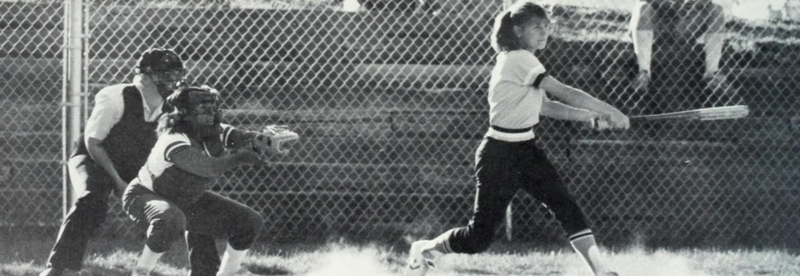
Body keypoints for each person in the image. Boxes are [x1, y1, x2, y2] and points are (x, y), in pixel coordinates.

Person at [405, 2, 628, 276]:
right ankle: (426, 249)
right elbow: (562, 91)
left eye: (547, 26)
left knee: (565, 206)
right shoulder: (518, 58)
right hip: (499, 153)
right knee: (478, 238)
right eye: (536, 26)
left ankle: (602, 272)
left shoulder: (526, 60)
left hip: (526, 149)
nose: (544, 31)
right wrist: (610, 110)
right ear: (518, 30)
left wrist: (590, 117)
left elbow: (545, 106)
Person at [39, 48, 221, 276]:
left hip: (139, 165)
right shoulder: (116, 96)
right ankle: (59, 268)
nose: (173, 82)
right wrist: (117, 181)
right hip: (95, 158)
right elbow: (94, 143)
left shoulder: (177, 105)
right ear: (143, 76)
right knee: (91, 199)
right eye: (165, 76)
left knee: (190, 197)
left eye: (176, 75)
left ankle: (206, 271)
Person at [122, 86, 269, 276]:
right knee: (170, 219)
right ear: (184, 113)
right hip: (146, 195)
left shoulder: (215, 131)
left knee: (249, 221)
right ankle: (141, 271)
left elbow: (241, 138)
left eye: (213, 107)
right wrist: (240, 158)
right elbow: (206, 167)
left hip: (187, 200)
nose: (211, 113)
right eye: (203, 108)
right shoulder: (173, 137)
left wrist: (262, 140)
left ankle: (229, 273)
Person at [630, 0, 736, 113]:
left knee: (716, 10)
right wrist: (671, 4)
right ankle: (644, 73)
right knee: (643, 8)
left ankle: (712, 75)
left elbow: (706, 2)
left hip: (686, 21)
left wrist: (694, 4)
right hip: (659, 21)